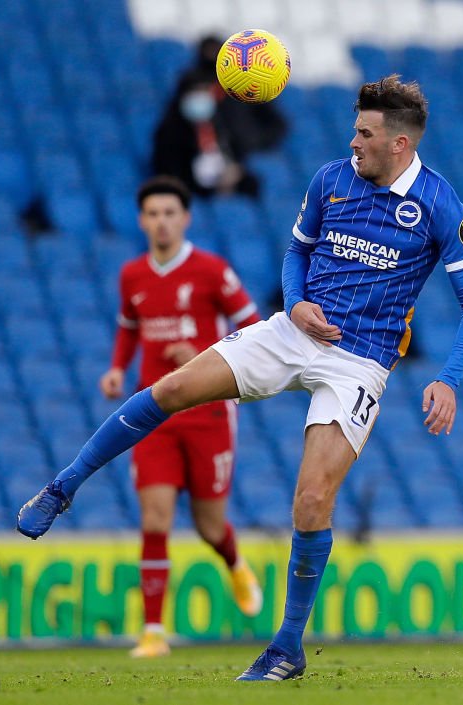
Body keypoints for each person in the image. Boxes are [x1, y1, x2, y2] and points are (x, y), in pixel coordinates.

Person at [17, 75, 463, 682]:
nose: (354, 141)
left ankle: (286, 650)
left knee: (313, 500)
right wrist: (294, 304)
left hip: (360, 360)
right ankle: (62, 486)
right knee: (170, 389)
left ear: (399, 144)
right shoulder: (331, 178)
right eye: (355, 130)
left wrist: (448, 378)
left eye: (365, 133)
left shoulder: (441, 204)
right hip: (294, 331)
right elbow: (297, 251)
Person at [101, 176, 264, 657]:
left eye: (170, 212)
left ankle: (234, 562)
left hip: (208, 412)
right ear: (141, 221)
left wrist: (203, 354)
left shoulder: (213, 271)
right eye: (152, 214)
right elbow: (128, 329)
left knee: (209, 526)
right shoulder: (132, 275)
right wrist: (115, 368)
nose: (161, 221)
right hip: (152, 413)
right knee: (155, 519)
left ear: (186, 218)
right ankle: (153, 631)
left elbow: (254, 330)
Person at [152, 67, 287, 199]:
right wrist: (213, 189)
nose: (202, 97)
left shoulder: (222, 126)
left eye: (206, 90)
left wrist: (235, 175)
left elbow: (238, 157)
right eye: (196, 91)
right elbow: (170, 175)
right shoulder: (170, 134)